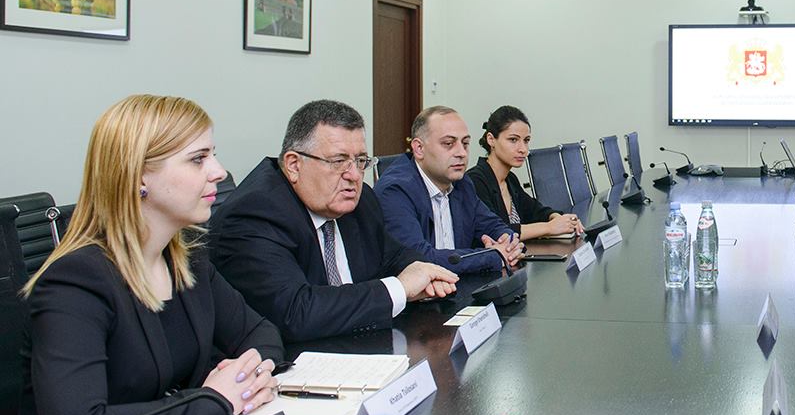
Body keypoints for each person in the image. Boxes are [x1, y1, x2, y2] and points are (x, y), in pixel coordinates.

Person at [10, 95, 283, 415]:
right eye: (198, 159)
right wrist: (211, 400)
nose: (219, 172)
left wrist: (248, 380)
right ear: (139, 175)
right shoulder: (73, 283)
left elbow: (261, 334)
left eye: (213, 155)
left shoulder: (188, 261)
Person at [209, 100, 457, 343]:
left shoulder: (359, 200)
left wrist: (420, 270)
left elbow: (391, 255)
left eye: (360, 161)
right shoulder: (254, 214)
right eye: (338, 161)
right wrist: (400, 289)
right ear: (294, 165)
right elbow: (296, 312)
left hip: (360, 347)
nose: (354, 175)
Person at [375, 106, 523, 274]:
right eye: (448, 144)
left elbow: (494, 226)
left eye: (465, 143)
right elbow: (418, 259)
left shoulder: (462, 183)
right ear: (419, 148)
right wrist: (493, 256)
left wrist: (509, 244)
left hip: (459, 284)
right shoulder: (395, 191)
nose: (461, 153)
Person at [465, 105, 585, 240]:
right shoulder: (474, 180)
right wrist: (549, 227)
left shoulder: (510, 179)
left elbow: (535, 211)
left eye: (526, 140)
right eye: (513, 140)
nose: (523, 149)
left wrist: (560, 219)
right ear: (491, 139)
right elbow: (495, 231)